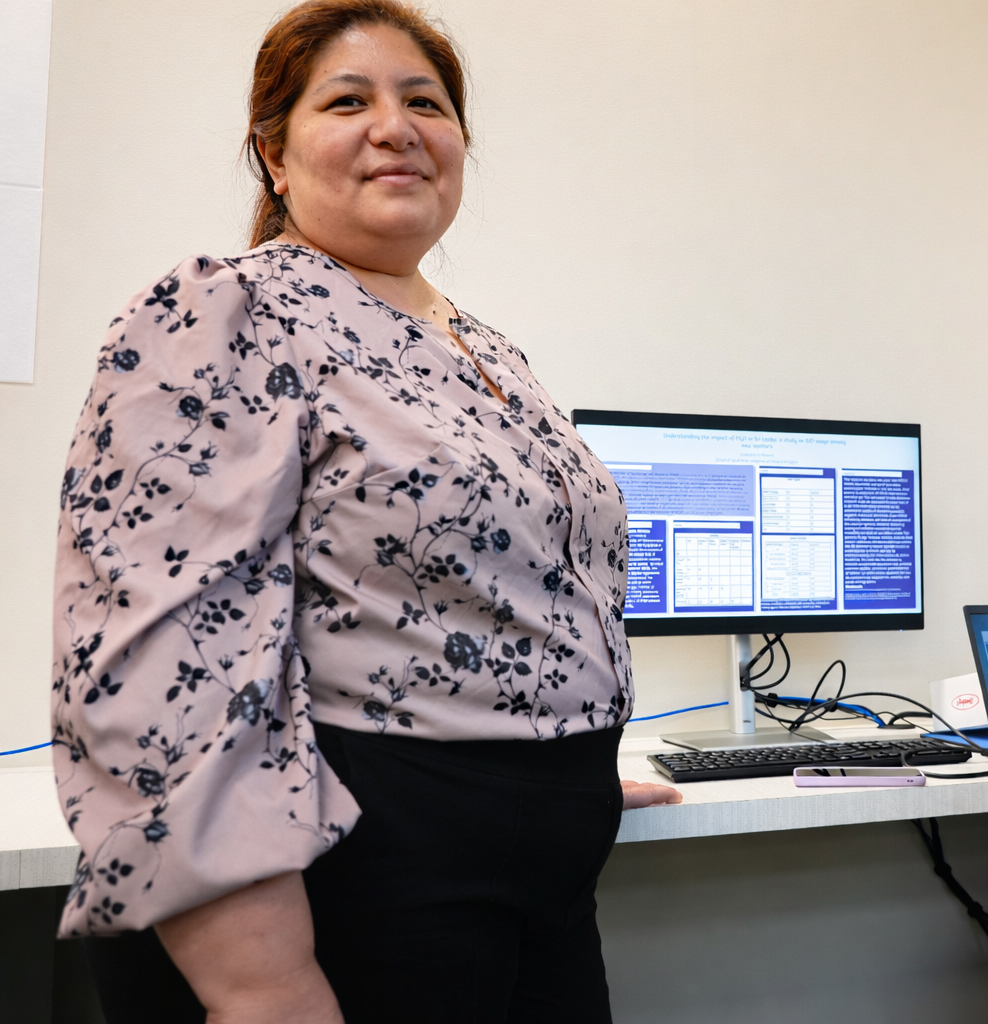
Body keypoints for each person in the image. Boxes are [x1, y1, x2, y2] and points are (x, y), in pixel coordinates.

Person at [50, 2, 679, 1021]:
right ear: (275, 155)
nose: (396, 126)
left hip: (528, 870)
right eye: (348, 100)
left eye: (425, 101)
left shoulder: (487, 349)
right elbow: (164, 670)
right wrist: (262, 985)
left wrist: (558, 759)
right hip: (355, 877)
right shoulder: (223, 311)